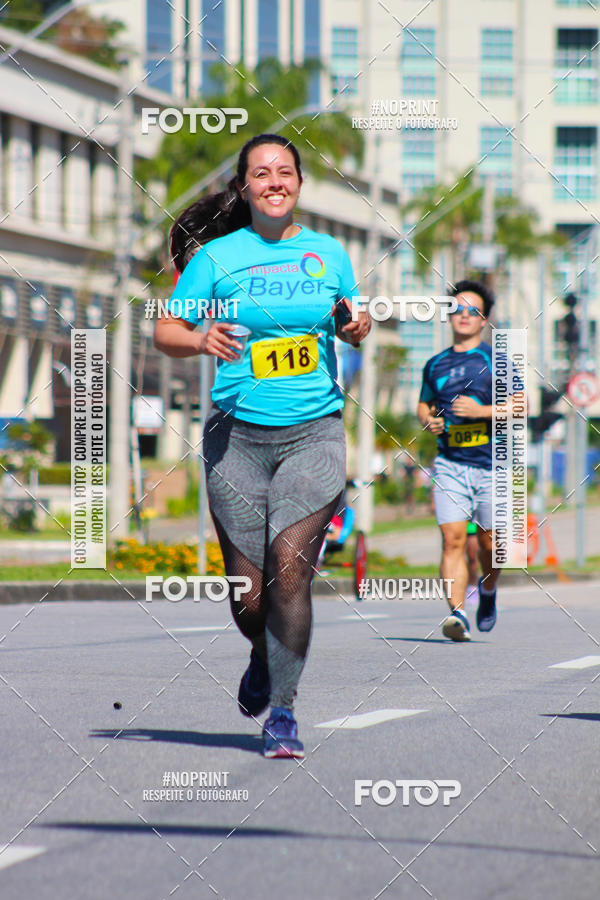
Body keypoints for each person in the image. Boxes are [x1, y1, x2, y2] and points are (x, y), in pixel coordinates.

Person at [154, 133, 371, 757]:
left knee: (289, 572)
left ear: (299, 183)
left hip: (315, 432)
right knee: (249, 598)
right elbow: (168, 326)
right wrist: (198, 341)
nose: (274, 181)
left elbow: (349, 320)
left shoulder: (329, 253)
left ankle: (283, 712)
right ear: (245, 187)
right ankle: (260, 653)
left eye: (285, 172)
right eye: (261, 173)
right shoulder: (216, 258)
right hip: (235, 441)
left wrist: (358, 326)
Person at [417, 280, 513, 641]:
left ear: (483, 319)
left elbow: (521, 406)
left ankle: (487, 592)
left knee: (491, 545)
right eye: (456, 309)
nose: (463, 315)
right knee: (453, 540)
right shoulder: (435, 363)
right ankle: (457, 614)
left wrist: (481, 410)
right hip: (450, 465)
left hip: (492, 466)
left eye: (472, 310)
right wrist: (428, 419)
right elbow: (423, 403)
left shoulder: (496, 361)